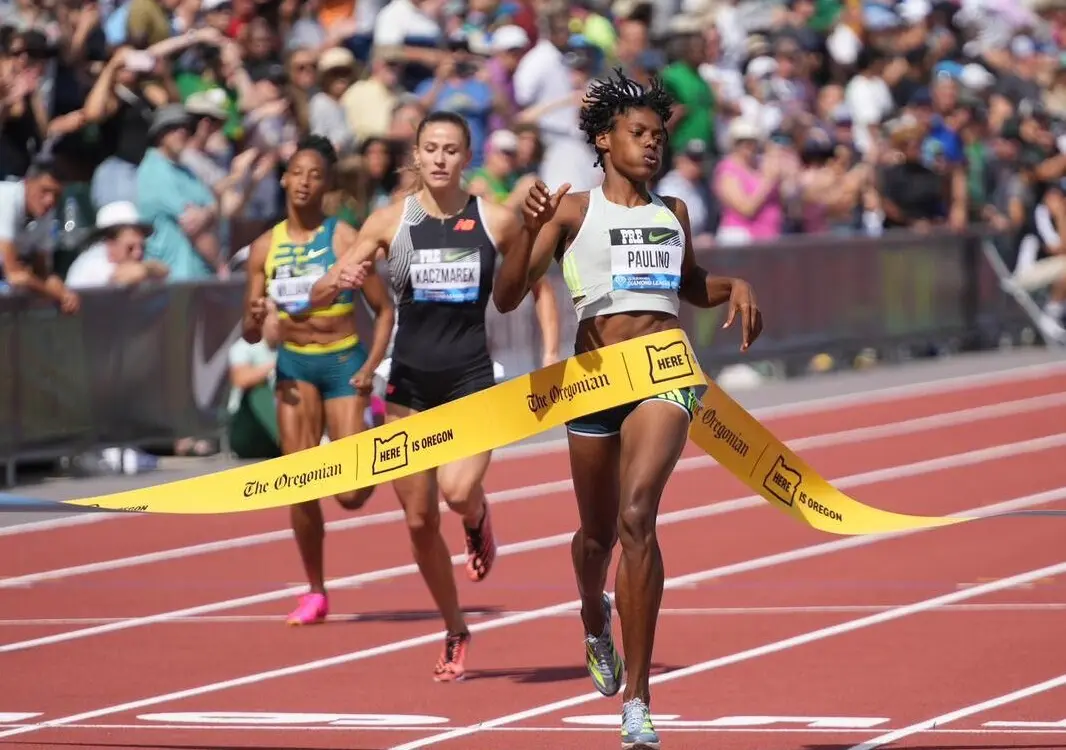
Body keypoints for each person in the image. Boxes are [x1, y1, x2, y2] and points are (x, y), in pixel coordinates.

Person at [492, 70, 764, 749]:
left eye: (659, 137)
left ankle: (638, 702)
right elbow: (506, 297)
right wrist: (525, 236)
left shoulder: (673, 213)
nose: (652, 147)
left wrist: (735, 284)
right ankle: (593, 614)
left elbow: (692, 284)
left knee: (637, 515)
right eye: (638, 135)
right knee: (596, 538)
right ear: (604, 139)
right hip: (592, 384)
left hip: (663, 374)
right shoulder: (572, 211)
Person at [319, 110, 530, 682]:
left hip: (469, 380)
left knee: (458, 491)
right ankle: (456, 627)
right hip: (409, 386)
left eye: (451, 149)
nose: (439, 158)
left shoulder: (495, 219)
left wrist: (556, 345)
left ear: (467, 158)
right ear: (416, 155)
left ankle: (479, 514)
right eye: (430, 148)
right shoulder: (389, 221)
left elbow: (536, 276)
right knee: (417, 522)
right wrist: (332, 282)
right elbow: (326, 284)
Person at [241, 134, 395, 627]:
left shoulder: (344, 238)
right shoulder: (265, 247)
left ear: (326, 185)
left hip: (342, 363)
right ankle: (315, 589)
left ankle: (371, 431)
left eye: (315, 175)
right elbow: (249, 328)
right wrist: (255, 313)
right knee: (299, 482)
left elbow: (384, 308)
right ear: (284, 178)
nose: (304, 182)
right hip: (294, 365)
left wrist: (371, 366)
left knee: (349, 494)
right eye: (297, 173)